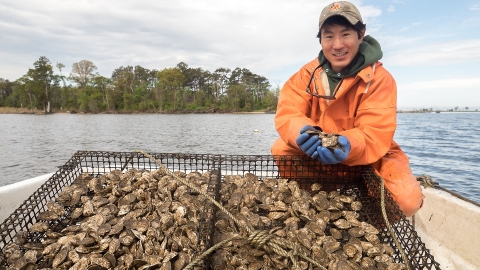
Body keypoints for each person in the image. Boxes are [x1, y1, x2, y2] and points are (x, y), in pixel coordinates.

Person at [271, 1, 424, 217]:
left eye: (345, 34)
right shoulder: (306, 74)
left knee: (406, 200)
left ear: (360, 35)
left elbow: (375, 133)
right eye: (329, 36)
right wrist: (301, 132)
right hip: (318, 151)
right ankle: (309, 208)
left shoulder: (380, 79)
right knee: (282, 149)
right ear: (321, 40)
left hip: (370, 154)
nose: (337, 45)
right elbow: (288, 112)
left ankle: (370, 228)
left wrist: (349, 144)